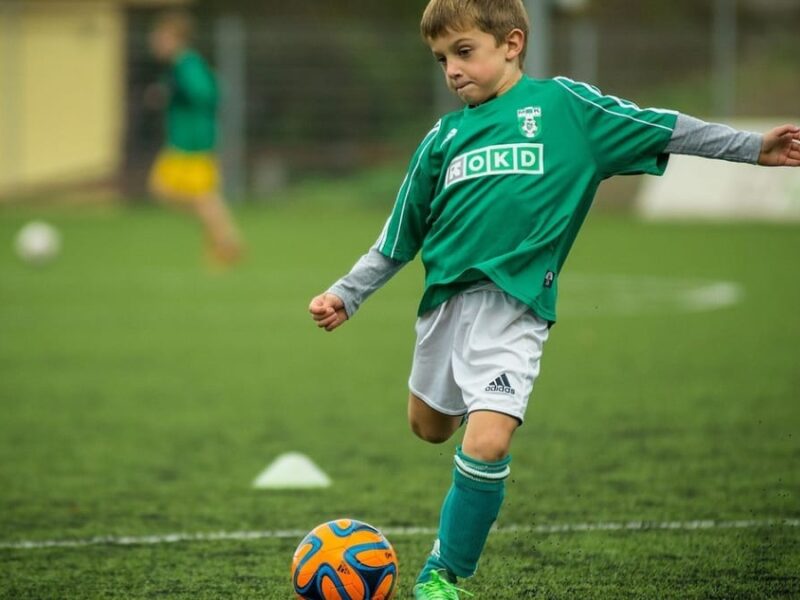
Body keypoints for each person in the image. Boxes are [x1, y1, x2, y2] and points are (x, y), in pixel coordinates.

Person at [308, 1, 800, 597]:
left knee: (486, 442)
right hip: (444, 308)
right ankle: (477, 406)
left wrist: (752, 147)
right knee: (428, 427)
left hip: (516, 309)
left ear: (511, 44)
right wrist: (346, 294)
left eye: (465, 52)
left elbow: (663, 125)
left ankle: (443, 573)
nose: (453, 70)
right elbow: (397, 237)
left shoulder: (566, 108)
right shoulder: (442, 138)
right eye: (442, 60)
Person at [147, 10, 243, 268]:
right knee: (169, 192)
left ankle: (226, 242)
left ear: (174, 38)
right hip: (183, 142)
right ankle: (225, 239)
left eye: (160, 36)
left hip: (194, 143)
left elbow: (208, 92)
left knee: (199, 197)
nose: (155, 41)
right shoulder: (180, 66)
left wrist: (176, 90)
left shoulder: (187, 63)